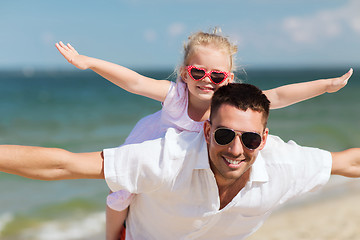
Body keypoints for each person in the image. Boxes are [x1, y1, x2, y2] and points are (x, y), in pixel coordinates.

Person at [56, 29, 353, 239]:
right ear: (185, 72)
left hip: (195, 164)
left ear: (229, 79)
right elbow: (134, 82)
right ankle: (112, 237)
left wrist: (325, 86)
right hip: (159, 148)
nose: (207, 81)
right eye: (198, 72)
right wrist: (89, 62)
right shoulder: (175, 95)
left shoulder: (230, 104)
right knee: (120, 195)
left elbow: (278, 95)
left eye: (217, 76)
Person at [1, 83, 360, 240]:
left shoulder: (285, 164)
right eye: (224, 135)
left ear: (263, 140)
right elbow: (63, 165)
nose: (236, 149)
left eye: (250, 139)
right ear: (206, 132)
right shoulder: (167, 158)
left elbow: (348, 162)